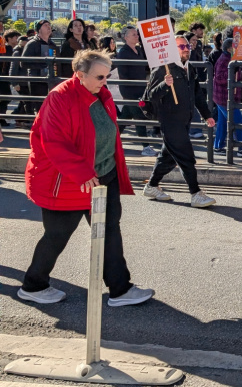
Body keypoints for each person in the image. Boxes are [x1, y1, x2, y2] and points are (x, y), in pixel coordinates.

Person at [17, 49, 153, 307]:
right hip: (68, 180)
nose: (106, 81)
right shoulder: (59, 97)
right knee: (57, 235)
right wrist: (82, 172)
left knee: (110, 231)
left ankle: (120, 289)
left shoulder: (99, 93)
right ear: (80, 75)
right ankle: (33, 285)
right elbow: (53, 142)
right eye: (100, 76)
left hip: (102, 176)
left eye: (107, 75)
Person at [142, 36, 217, 207]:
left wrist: (207, 115)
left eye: (188, 45)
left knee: (167, 157)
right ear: (171, 49)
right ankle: (196, 193)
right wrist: (164, 85)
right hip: (170, 121)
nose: (186, 48)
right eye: (181, 46)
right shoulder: (163, 69)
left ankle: (151, 186)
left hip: (184, 120)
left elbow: (197, 94)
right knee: (186, 157)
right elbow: (150, 96)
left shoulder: (188, 67)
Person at [116, 26, 156, 156]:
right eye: (133, 34)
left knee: (124, 117)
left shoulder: (138, 49)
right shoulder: (123, 52)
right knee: (139, 116)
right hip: (129, 90)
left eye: (136, 34)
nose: (136, 36)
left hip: (140, 88)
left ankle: (112, 141)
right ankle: (145, 147)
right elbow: (123, 73)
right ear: (125, 37)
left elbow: (144, 67)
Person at [213, 37, 242, 157]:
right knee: (237, 122)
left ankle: (218, 146)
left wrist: (240, 71)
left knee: (223, 123)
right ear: (230, 48)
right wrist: (234, 70)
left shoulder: (227, 58)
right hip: (225, 97)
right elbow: (220, 78)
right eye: (235, 47)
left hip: (222, 97)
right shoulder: (224, 60)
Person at [22, 20, 58, 112]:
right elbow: (23, 62)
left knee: (52, 106)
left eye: (49, 25)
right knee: (40, 107)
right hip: (37, 79)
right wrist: (42, 66)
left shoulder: (52, 44)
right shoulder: (32, 43)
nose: (49, 27)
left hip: (51, 79)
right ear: (38, 30)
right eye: (45, 25)